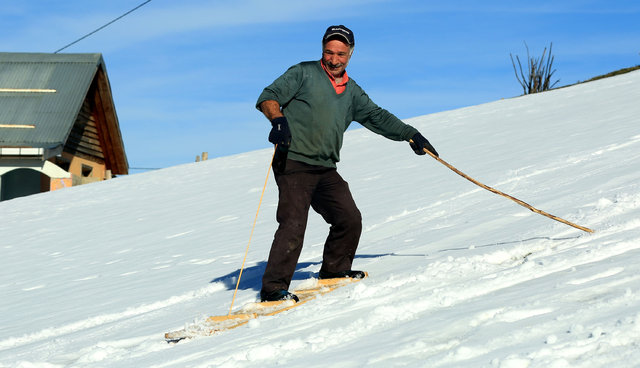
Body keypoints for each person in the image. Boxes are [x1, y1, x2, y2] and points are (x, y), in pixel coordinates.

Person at [255, 25, 438, 302]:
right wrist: (278, 120)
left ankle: (334, 270)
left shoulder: (352, 92)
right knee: (293, 225)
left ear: (350, 54)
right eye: (329, 52)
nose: (334, 59)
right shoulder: (303, 73)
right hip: (293, 161)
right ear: (322, 50)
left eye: (341, 53)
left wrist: (410, 134)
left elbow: (377, 116)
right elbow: (268, 97)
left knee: (348, 218)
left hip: (325, 168)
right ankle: (272, 290)